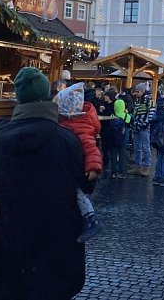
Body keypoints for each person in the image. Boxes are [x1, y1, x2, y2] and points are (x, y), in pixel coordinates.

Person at [0, 67, 85, 300]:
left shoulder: (1, 138)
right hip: (56, 237)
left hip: (12, 233)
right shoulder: (65, 138)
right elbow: (84, 183)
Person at [54, 82, 102, 242]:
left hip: (81, 173)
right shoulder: (73, 123)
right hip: (75, 170)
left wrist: (94, 167)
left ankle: (91, 219)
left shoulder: (79, 126)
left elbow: (91, 148)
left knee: (79, 195)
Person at [129, 83, 155, 177]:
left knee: (145, 147)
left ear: (140, 91)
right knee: (137, 148)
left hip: (143, 127)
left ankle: (146, 167)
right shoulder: (138, 100)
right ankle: (138, 166)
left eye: (136, 92)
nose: (135, 94)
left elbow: (151, 112)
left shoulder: (148, 99)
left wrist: (145, 123)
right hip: (136, 126)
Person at [111, 88, 132, 178]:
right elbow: (131, 122)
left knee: (113, 154)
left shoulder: (112, 116)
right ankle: (122, 172)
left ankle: (113, 172)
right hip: (124, 137)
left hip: (113, 137)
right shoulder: (127, 116)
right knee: (122, 154)